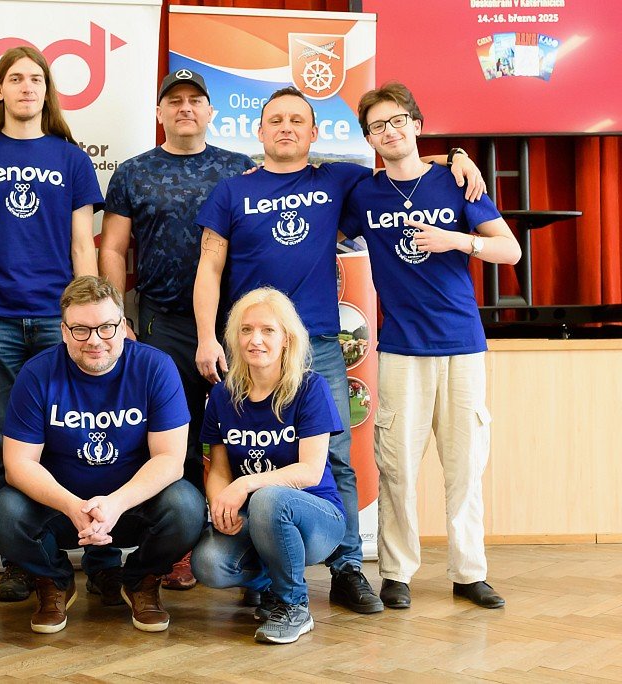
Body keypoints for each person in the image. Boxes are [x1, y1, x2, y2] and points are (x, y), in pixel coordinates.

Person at [192, 86, 486, 615]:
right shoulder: (232, 190)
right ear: (259, 132)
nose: (286, 127)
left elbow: (406, 159)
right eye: (275, 120)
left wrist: (457, 156)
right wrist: (208, 337)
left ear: (314, 133)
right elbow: (209, 268)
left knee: (336, 458)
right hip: (254, 345)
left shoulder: (339, 180)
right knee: (244, 449)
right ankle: (264, 569)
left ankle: (348, 567)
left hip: (320, 343)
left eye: (296, 120)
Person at [0, 46, 106, 602]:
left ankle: (92, 552)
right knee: (9, 443)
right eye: (16, 78)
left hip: (61, 323)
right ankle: (22, 560)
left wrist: (93, 320)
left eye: (36, 78)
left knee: (74, 440)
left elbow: (83, 247)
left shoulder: (71, 159)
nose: (27, 86)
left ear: (47, 91)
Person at [341, 82, 521, 609]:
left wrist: (456, 240)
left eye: (398, 121)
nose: (390, 132)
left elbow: (509, 250)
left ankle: (469, 572)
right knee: (396, 466)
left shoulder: (456, 181)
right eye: (378, 126)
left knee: (465, 466)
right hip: (401, 348)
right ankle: (397, 573)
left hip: (462, 344)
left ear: (417, 125)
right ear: (369, 139)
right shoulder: (365, 193)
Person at [99, 69, 255, 591]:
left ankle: (247, 544)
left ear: (211, 111)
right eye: (175, 101)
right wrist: (118, 317)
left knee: (246, 433)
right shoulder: (133, 172)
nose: (185, 107)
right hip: (161, 321)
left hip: (235, 325)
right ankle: (181, 546)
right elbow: (112, 248)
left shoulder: (239, 168)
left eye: (195, 100)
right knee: (176, 437)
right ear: (159, 113)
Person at [0, 276, 205, 634]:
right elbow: (18, 464)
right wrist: (73, 507)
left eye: (106, 327)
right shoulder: (38, 373)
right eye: (81, 330)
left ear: (122, 325)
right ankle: (54, 581)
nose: (95, 340)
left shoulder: (155, 367)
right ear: (64, 331)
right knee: (4, 513)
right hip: (61, 509)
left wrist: (115, 504)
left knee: (187, 506)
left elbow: (170, 460)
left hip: (131, 507)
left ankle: (140, 580)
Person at [191, 287, 346, 644]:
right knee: (209, 563)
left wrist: (245, 485)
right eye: (246, 330)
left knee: (268, 497)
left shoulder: (310, 388)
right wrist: (220, 504)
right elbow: (218, 468)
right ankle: (272, 585)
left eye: (267, 330)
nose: (255, 340)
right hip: (256, 518)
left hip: (317, 518)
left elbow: (309, 471)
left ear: (286, 339)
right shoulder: (222, 395)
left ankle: (294, 606)